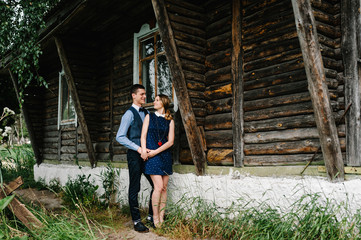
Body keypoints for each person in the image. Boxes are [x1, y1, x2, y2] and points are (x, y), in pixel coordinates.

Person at [115, 84, 154, 233]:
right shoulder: (129, 114)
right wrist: (138, 149)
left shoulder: (147, 113)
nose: (144, 96)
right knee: (135, 187)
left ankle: (151, 216)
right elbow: (120, 136)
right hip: (135, 155)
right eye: (142, 94)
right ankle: (137, 221)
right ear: (134, 95)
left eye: (145, 94)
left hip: (148, 154)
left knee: (155, 185)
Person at [140, 94, 175, 228]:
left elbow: (170, 141)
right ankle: (155, 219)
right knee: (158, 187)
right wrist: (144, 150)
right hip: (151, 155)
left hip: (164, 155)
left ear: (164, 102)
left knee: (164, 188)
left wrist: (156, 151)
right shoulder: (149, 116)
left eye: (157, 100)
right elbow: (143, 136)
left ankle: (161, 217)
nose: (154, 102)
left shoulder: (170, 120)